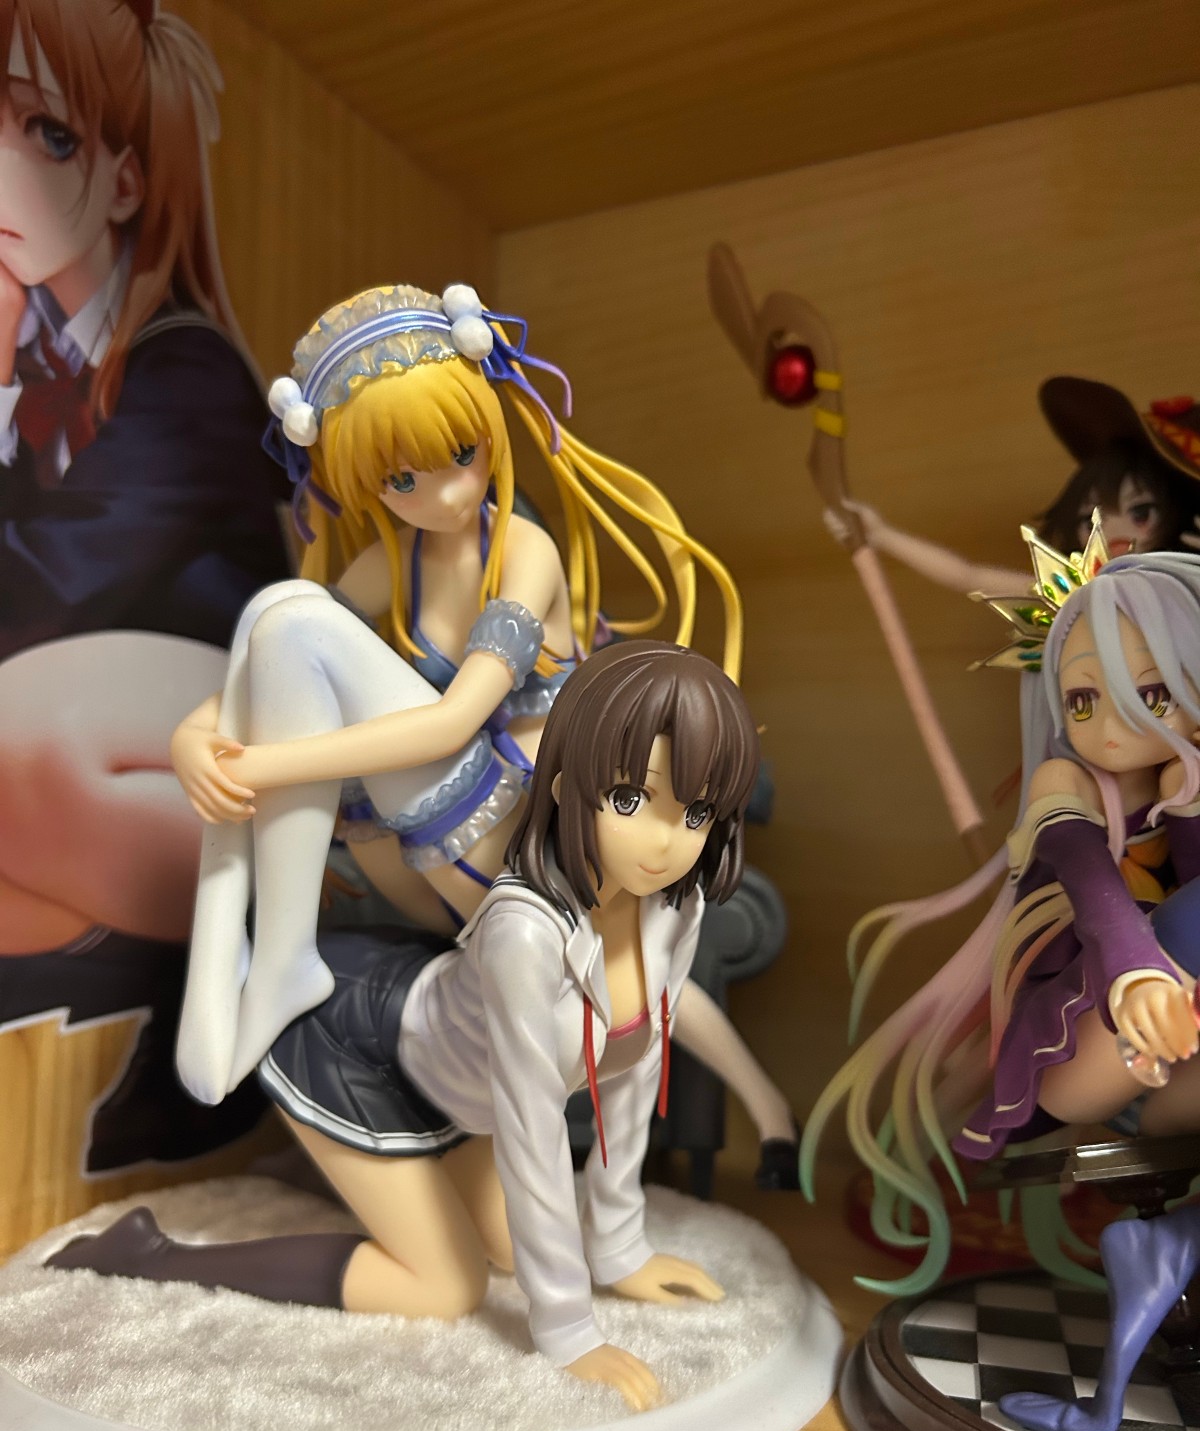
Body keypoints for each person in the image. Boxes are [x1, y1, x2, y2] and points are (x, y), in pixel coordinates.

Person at [170, 283, 798, 1171]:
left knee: (637, 974)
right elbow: (276, 656)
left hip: (538, 822)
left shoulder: (524, 553)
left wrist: (267, 765)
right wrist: (194, 739)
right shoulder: (394, 565)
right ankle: (276, 955)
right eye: (401, 480)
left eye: (460, 455)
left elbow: (455, 720)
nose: (440, 493)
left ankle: (767, 1105)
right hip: (442, 841)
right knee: (285, 615)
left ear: (490, 431)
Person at [50, 641, 760, 1411]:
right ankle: (153, 1255)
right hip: (352, 1042)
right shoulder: (525, 932)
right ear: (566, 785)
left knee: (515, 1253)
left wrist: (620, 1250)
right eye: (630, 799)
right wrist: (570, 1332)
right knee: (446, 1287)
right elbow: (531, 1129)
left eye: (695, 812)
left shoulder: (674, 910)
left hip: (454, 1089)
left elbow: (638, 1067)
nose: (665, 841)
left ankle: (368, 1177)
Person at [0, 0, 289, 1164]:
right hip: (114, 792)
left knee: (27, 742)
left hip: (222, 771)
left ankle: (282, 946)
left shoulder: (186, 371)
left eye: (47, 134)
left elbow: (52, 585)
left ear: (123, 179)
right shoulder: (33, 370)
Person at [801, 537, 1200, 1295]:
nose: (1110, 729)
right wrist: (1133, 969)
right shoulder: (1064, 779)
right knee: (969, 1075)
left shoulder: (1178, 776)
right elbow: (1090, 879)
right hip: (1073, 955)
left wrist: (1189, 787)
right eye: (1082, 701)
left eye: (1149, 695)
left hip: (1156, 971)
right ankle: (915, 1178)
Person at [824, 379, 1200, 596]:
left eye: (1140, 513)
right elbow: (970, 577)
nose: (1111, 531)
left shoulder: (1182, 589)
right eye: (1090, 520)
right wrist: (882, 534)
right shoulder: (1073, 595)